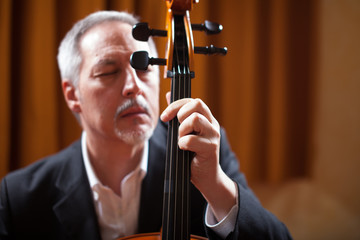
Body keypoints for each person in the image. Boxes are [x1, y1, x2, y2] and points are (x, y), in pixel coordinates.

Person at [0, 11, 292, 240]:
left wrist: (215, 184)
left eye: (144, 67)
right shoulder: (19, 198)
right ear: (72, 94)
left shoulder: (201, 150)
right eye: (108, 71)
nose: (133, 86)